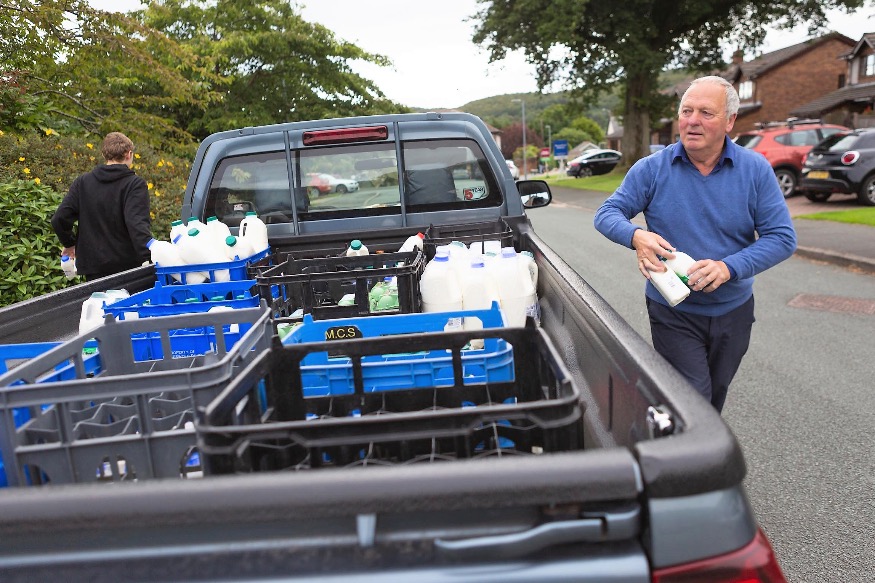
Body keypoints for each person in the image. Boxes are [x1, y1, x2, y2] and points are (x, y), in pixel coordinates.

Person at [593, 76, 797, 413]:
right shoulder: (652, 169)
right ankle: (684, 445)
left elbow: (782, 237)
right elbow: (607, 213)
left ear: (730, 121)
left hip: (734, 310)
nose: (692, 120)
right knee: (692, 402)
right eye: (686, 111)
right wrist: (636, 236)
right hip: (673, 311)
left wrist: (728, 268)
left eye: (706, 112)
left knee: (714, 397)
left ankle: (693, 445)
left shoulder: (755, 170)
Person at [51, 132, 152, 281]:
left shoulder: (83, 182)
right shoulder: (134, 184)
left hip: (93, 270)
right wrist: (151, 257)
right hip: (127, 269)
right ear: (128, 154)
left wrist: (69, 243)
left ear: (104, 155)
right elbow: (136, 224)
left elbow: (59, 219)